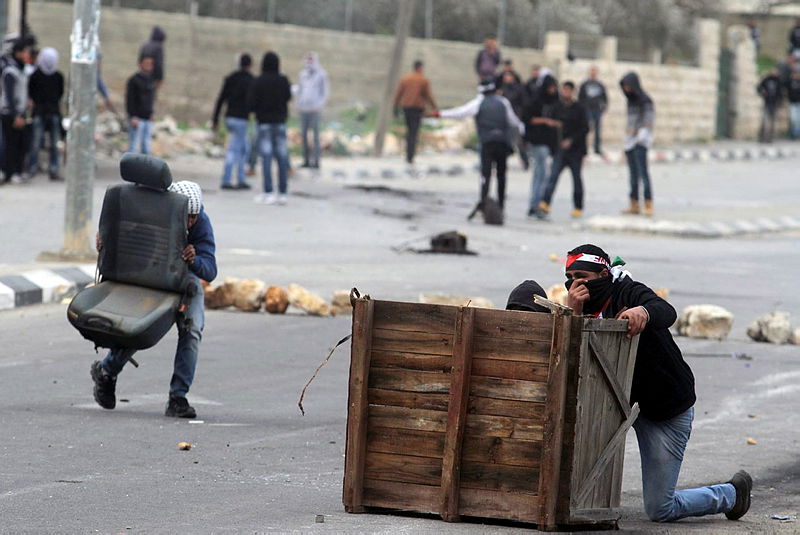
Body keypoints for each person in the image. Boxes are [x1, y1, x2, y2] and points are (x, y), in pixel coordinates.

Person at [562, 243, 752, 523]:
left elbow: (665, 310)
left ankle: (732, 494)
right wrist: (572, 314)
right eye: (570, 278)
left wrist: (643, 312)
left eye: (583, 277)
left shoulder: (626, 291)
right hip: (620, 406)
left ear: (603, 275)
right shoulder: (577, 306)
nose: (575, 284)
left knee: (660, 508)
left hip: (664, 411)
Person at [91, 180, 217, 419]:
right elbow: (123, 236)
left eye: (194, 217)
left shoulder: (201, 223)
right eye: (186, 217)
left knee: (192, 330)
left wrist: (194, 259)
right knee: (140, 327)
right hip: (151, 273)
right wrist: (104, 240)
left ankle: (178, 398)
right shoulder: (153, 215)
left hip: (183, 278)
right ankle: (107, 371)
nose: (190, 222)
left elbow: (210, 270)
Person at [431, 79, 523, 213]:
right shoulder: (503, 102)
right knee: (501, 175)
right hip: (502, 142)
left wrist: (440, 114)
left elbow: (460, 112)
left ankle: (484, 203)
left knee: (486, 174)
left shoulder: (479, 103)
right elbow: (514, 121)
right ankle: (501, 205)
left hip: (487, 142)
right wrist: (523, 130)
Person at [539, 81, 589, 219]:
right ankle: (545, 202)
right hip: (560, 150)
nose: (565, 93)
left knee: (576, 179)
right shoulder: (557, 107)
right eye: (564, 90)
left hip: (576, 151)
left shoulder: (579, 109)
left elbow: (585, 128)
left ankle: (578, 207)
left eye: (568, 90)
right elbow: (549, 125)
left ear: (573, 92)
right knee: (553, 176)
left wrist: (571, 140)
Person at [248, 51, 291, 205]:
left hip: (264, 123)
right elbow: (288, 97)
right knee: (282, 158)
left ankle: (268, 192)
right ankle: (283, 193)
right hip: (280, 122)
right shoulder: (283, 80)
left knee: (266, 158)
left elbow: (252, 102)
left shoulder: (259, 81)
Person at [212, 53, 254, 190]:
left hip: (230, 118)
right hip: (242, 119)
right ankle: (227, 179)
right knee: (234, 149)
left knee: (241, 148)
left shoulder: (231, 78)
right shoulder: (251, 80)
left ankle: (241, 178)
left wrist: (215, 119)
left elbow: (221, 99)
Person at [521, 74, 560, 219]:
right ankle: (535, 206)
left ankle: (538, 206)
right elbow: (527, 118)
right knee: (541, 174)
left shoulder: (555, 103)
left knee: (543, 175)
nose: (552, 90)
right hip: (537, 142)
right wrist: (545, 121)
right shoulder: (535, 102)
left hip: (548, 143)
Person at [620, 72, 655, 216]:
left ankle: (648, 203)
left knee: (643, 174)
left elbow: (648, 122)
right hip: (630, 142)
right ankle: (634, 204)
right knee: (633, 175)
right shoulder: (630, 101)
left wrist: (639, 137)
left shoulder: (645, 100)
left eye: (628, 86)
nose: (626, 89)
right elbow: (629, 123)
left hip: (641, 141)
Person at [27, 46, 64, 181]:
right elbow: (31, 93)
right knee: (36, 141)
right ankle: (32, 168)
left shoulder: (58, 76)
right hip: (40, 112)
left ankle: (53, 169)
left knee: (54, 143)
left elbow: (59, 93)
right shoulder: (36, 75)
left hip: (53, 112)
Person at [393, 60, 437, 166]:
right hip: (417, 108)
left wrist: (395, 107)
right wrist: (434, 107)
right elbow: (428, 95)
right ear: (420, 68)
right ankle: (410, 156)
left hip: (406, 107)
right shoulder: (423, 80)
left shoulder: (405, 79)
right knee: (414, 132)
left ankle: (408, 154)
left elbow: (398, 94)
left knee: (409, 131)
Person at [1, 40, 31, 184]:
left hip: (20, 112)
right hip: (10, 113)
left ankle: (18, 171)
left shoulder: (22, 69)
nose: (27, 55)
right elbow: (10, 95)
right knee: (11, 144)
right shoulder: (10, 71)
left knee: (21, 144)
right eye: (25, 51)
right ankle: (9, 172)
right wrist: (16, 116)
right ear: (18, 52)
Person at [295, 52, 329, 170]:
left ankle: (316, 161)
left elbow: (325, 93)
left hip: (315, 109)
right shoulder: (303, 75)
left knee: (315, 136)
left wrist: (318, 106)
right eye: (307, 59)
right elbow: (300, 91)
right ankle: (306, 160)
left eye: (311, 60)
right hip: (304, 108)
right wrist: (298, 104)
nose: (309, 62)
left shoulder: (321, 75)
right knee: (304, 135)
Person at [125, 56, 157, 155]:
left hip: (147, 118)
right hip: (137, 118)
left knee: (146, 147)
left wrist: (151, 113)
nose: (149, 66)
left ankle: (145, 169)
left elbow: (151, 99)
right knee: (133, 146)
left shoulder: (151, 80)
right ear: (140, 64)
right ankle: (130, 169)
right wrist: (133, 116)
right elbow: (130, 99)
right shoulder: (134, 80)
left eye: (150, 64)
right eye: (146, 63)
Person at [498, 69, 528, 169]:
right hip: (504, 119)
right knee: (505, 142)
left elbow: (523, 103)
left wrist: (520, 116)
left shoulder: (519, 89)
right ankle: (502, 163)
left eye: (508, 76)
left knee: (519, 142)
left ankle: (525, 162)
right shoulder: (502, 89)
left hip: (516, 118)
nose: (506, 78)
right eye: (505, 76)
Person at [578, 65, 608, 156]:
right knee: (586, 128)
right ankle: (584, 147)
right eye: (592, 71)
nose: (593, 73)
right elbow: (580, 97)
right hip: (587, 109)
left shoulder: (600, 85)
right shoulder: (585, 84)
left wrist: (603, 108)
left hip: (597, 109)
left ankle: (597, 148)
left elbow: (604, 98)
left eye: (594, 71)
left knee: (597, 129)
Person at [757, 68, 782, 144]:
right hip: (767, 102)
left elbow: (780, 93)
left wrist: (780, 103)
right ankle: (761, 137)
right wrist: (762, 91)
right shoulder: (767, 79)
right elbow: (759, 87)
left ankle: (770, 138)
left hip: (774, 104)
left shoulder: (778, 81)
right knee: (764, 120)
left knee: (772, 121)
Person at [787, 70, 800, 139]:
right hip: (792, 103)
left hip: (798, 103)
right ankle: (793, 134)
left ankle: (797, 133)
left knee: (798, 119)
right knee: (793, 119)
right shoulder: (789, 82)